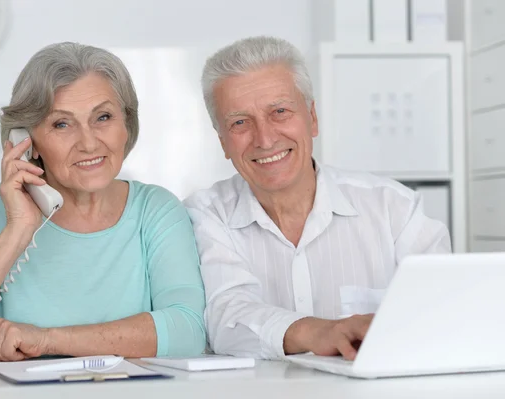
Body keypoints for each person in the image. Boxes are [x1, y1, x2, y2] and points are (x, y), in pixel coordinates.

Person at [0, 42, 206, 361]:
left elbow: (187, 332)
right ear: (27, 141)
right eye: (61, 124)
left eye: (103, 117)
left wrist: (46, 340)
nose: (89, 143)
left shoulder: (156, 210)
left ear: (126, 124)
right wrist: (18, 230)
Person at [183, 36, 451, 360]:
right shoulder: (203, 216)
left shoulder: (396, 210)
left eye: (280, 111)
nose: (265, 139)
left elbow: (444, 314)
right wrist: (319, 332)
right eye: (240, 122)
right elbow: (226, 319)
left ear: (312, 118)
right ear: (223, 142)